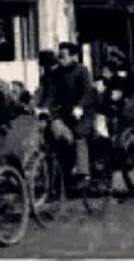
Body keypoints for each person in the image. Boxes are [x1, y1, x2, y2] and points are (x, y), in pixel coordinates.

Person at [43, 42, 96, 180]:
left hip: (83, 112)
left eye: (63, 56)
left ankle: (83, 172)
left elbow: (88, 92)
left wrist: (80, 107)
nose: (60, 59)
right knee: (54, 134)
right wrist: (44, 108)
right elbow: (50, 94)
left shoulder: (82, 70)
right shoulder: (56, 73)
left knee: (79, 133)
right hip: (64, 111)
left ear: (73, 56)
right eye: (59, 56)